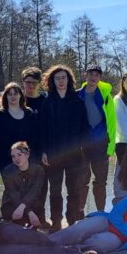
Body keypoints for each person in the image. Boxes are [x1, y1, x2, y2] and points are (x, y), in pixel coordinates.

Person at [50, 179, 127, 254]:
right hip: (107, 222)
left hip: (119, 238)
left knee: (100, 244)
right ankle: (48, 241)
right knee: (80, 229)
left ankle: (65, 250)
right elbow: (114, 215)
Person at [38, 64, 90, 230]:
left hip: (74, 154)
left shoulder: (77, 102)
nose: (60, 81)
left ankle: (72, 220)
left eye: (63, 78)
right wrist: (44, 151)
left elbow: (85, 128)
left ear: (69, 80)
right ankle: (56, 221)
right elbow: (42, 129)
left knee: (73, 189)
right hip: (54, 154)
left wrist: (83, 148)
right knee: (54, 191)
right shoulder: (47, 103)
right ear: (52, 81)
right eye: (57, 78)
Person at [76, 64, 116, 215]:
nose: (93, 77)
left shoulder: (105, 95)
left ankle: (100, 213)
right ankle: (79, 212)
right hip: (82, 146)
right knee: (81, 181)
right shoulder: (77, 95)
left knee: (100, 182)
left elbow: (112, 123)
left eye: (97, 75)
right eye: (91, 74)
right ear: (85, 75)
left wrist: (110, 147)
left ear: (100, 78)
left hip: (101, 145)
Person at [0, 83, 40, 172]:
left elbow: (35, 135)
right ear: (5, 97)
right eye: (10, 94)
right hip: (8, 159)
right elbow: (2, 138)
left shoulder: (29, 113)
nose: (13, 96)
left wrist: (24, 153)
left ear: (20, 95)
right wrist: (17, 154)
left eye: (15, 94)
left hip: (28, 158)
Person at [0, 141, 47, 229]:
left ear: (27, 155)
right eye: (13, 156)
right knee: (15, 218)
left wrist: (26, 209)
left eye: (19, 155)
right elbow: (13, 194)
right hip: (12, 204)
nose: (16, 159)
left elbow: (35, 191)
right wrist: (29, 212)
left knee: (38, 216)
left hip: (31, 203)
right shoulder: (8, 171)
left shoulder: (38, 170)